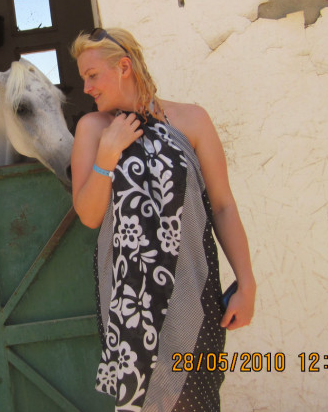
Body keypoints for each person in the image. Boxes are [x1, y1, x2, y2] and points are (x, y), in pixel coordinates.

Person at [69, 28, 255, 411]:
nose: (86, 88)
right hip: (130, 303)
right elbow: (88, 215)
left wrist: (247, 283)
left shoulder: (193, 120)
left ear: (123, 67)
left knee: (197, 401)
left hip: (193, 290)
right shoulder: (93, 129)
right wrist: (107, 154)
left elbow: (223, 206)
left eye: (92, 75)